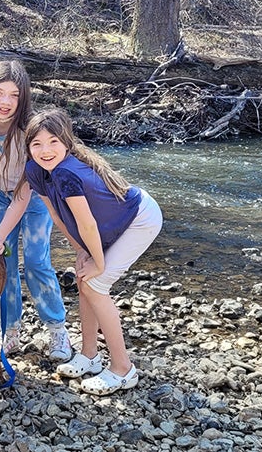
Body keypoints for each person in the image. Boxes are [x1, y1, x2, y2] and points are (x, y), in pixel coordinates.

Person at [22, 108, 162, 395]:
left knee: (96, 284)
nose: (45, 150)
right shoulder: (34, 170)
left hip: (139, 220)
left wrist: (97, 262)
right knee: (84, 279)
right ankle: (90, 355)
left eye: (53, 142)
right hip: (108, 226)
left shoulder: (66, 173)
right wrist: (81, 252)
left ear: (67, 143)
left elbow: (86, 223)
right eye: (37, 144)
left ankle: (123, 369)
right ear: (28, 147)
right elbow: (58, 215)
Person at [0, 60, 71, 362]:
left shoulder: (28, 130)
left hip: (33, 198)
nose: (6, 102)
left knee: (36, 261)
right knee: (3, 267)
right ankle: (11, 330)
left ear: (24, 98)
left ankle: (57, 329)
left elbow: (23, 194)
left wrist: (0, 236)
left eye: (14, 95)